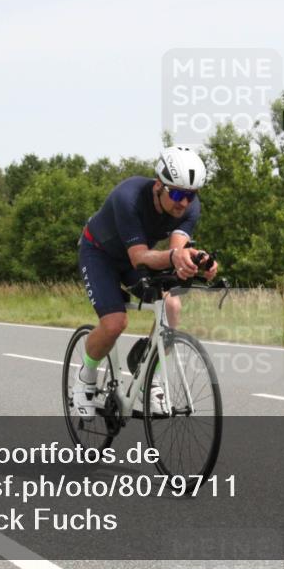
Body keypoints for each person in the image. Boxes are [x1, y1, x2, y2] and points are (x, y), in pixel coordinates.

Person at [73, 146, 219, 420]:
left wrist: (196, 260)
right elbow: (140, 256)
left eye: (190, 195)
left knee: (172, 306)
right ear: (158, 187)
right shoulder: (128, 197)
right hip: (99, 254)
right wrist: (176, 256)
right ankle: (86, 377)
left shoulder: (189, 207)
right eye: (176, 194)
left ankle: (151, 378)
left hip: (135, 261)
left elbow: (177, 248)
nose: (184, 203)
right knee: (115, 323)